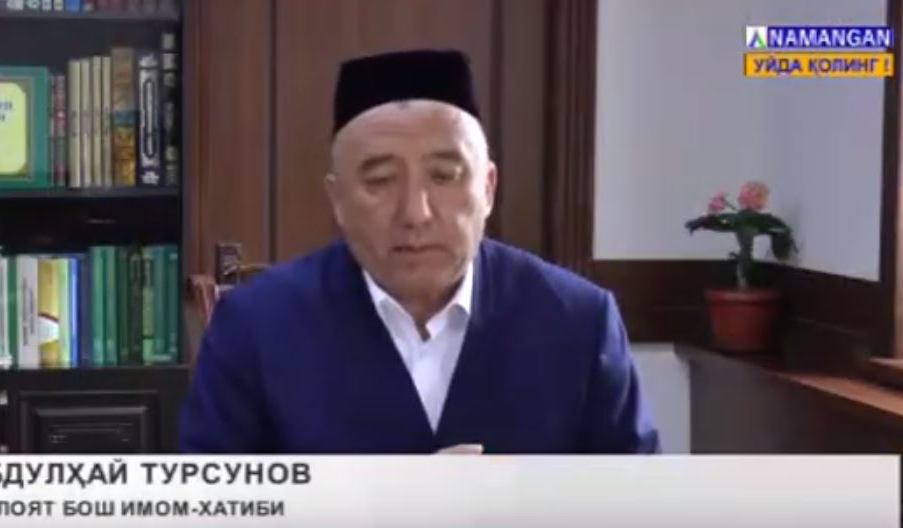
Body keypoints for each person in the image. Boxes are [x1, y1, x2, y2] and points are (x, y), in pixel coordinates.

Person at [179, 49, 659, 454]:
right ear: (337, 200)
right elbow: (210, 509)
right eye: (381, 180)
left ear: (488, 188)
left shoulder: (578, 321)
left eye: (445, 176)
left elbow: (638, 505)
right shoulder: (256, 326)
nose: (415, 212)